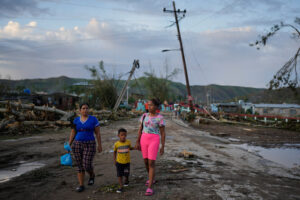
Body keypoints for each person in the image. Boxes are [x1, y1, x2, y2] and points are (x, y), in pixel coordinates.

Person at [68, 103, 102, 192]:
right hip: (77, 144)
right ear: (80, 110)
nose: (85, 110)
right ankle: (81, 185)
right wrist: (69, 144)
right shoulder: (75, 120)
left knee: (87, 164)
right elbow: (73, 132)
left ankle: (92, 175)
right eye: (83, 108)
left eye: (87, 108)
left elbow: (97, 133)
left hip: (90, 144)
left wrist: (100, 145)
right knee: (79, 166)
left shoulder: (93, 119)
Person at [135, 99, 166, 196]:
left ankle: (150, 188)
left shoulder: (160, 118)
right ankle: (151, 178)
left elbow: (163, 133)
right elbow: (140, 129)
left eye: (151, 105)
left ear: (156, 107)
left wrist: (162, 146)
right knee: (145, 161)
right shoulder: (144, 116)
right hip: (144, 139)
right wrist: (137, 141)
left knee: (151, 162)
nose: (149, 107)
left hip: (154, 140)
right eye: (148, 105)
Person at [113, 128, 134, 193]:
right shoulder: (116, 144)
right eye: (122, 135)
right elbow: (114, 152)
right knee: (119, 175)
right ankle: (121, 187)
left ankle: (126, 180)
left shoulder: (128, 142)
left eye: (125, 135)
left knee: (126, 174)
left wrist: (136, 147)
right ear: (118, 135)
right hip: (119, 162)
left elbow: (130, 148)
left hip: (127, 163)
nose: (123, 136)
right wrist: (114, 160)